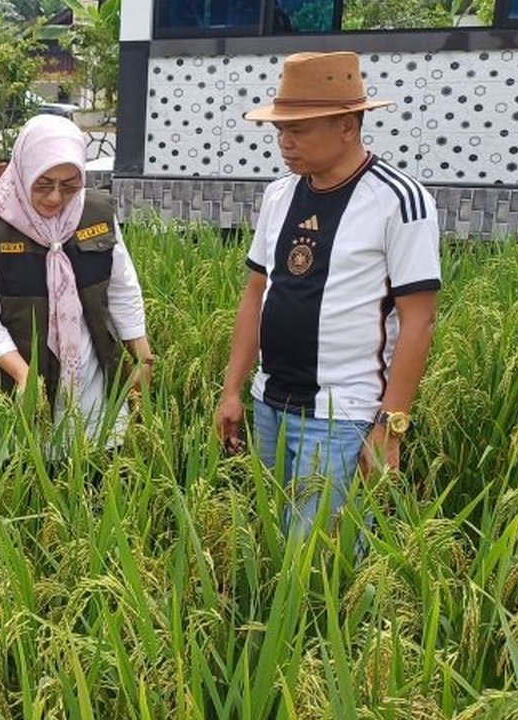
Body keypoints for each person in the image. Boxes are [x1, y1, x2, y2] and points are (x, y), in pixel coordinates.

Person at [215, 52, 440, 538]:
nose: (285, 141)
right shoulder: (279, 195)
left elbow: (419, 321)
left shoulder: (400, 201)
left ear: (346, 127)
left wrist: (390, 427)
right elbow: (256, 294)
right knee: (270, 539)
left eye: (298, 130)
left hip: (343, 414)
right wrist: (233, 388)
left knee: (317, 555)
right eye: (280, 130)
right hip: (270, 401)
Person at [0, 114, 154, 453]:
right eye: (43, 184)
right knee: (31, 467)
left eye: (69, 186)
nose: (55, 198)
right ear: (24, 171)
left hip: (93, 380)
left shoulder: (96, 215)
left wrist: (143, 356)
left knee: (99, 466)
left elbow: (122, 290)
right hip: (26, 389)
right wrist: (23, 375)